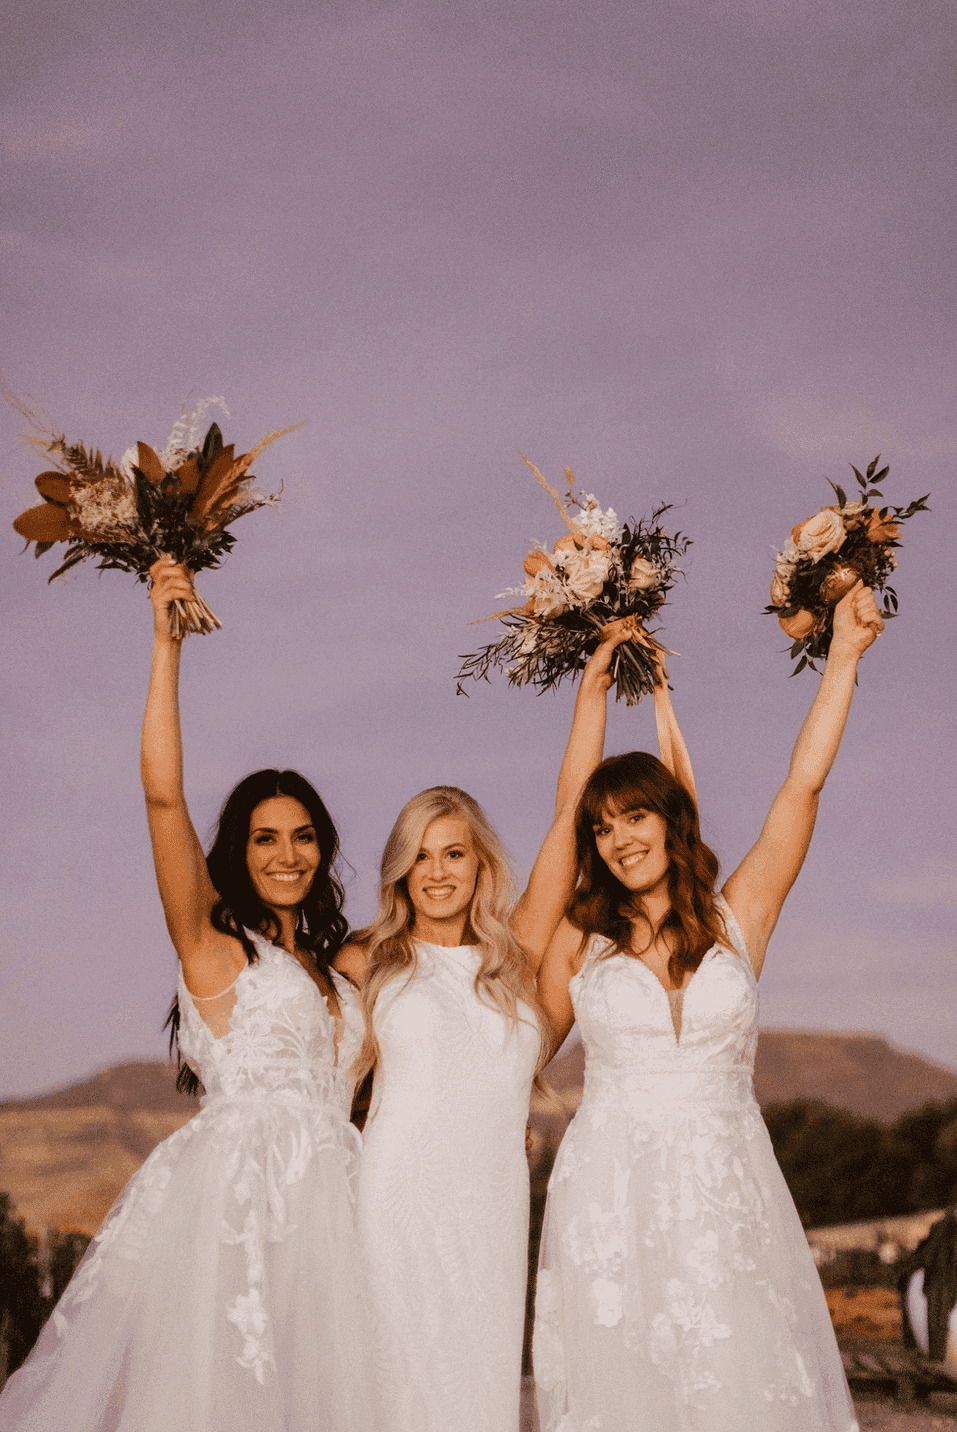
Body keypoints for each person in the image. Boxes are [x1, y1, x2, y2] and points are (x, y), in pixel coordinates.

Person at [0, 559, 376, 1432]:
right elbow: (163, 798)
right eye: (265, 838)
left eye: (304, 837)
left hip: (337, 1216)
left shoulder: (345, 968)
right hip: (238, 1209)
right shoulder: (214, 951)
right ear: (237, 853)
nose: (287, 854)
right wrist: (166, 648)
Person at [534, 581, 883, 1432]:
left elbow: (800, 789)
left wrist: (841, 657)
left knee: (742, 1383)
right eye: (602, 828)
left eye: (634, 816)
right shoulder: (579, 941)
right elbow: (513, 1053)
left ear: (670, 819)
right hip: (610, 1195)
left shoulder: (738, 916)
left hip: (730, 1188)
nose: (619, 839)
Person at [337, 620, 678, 1432]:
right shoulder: (366, 960)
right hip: (392, 1202)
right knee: (390, 1387)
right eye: (419, 856)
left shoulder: (516, 959)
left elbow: (570, 813)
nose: (436, 872)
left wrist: (591, 687)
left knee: (475, 1391)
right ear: (398, 868)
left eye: (453, 853)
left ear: (480, 862)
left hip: (490, 1206)